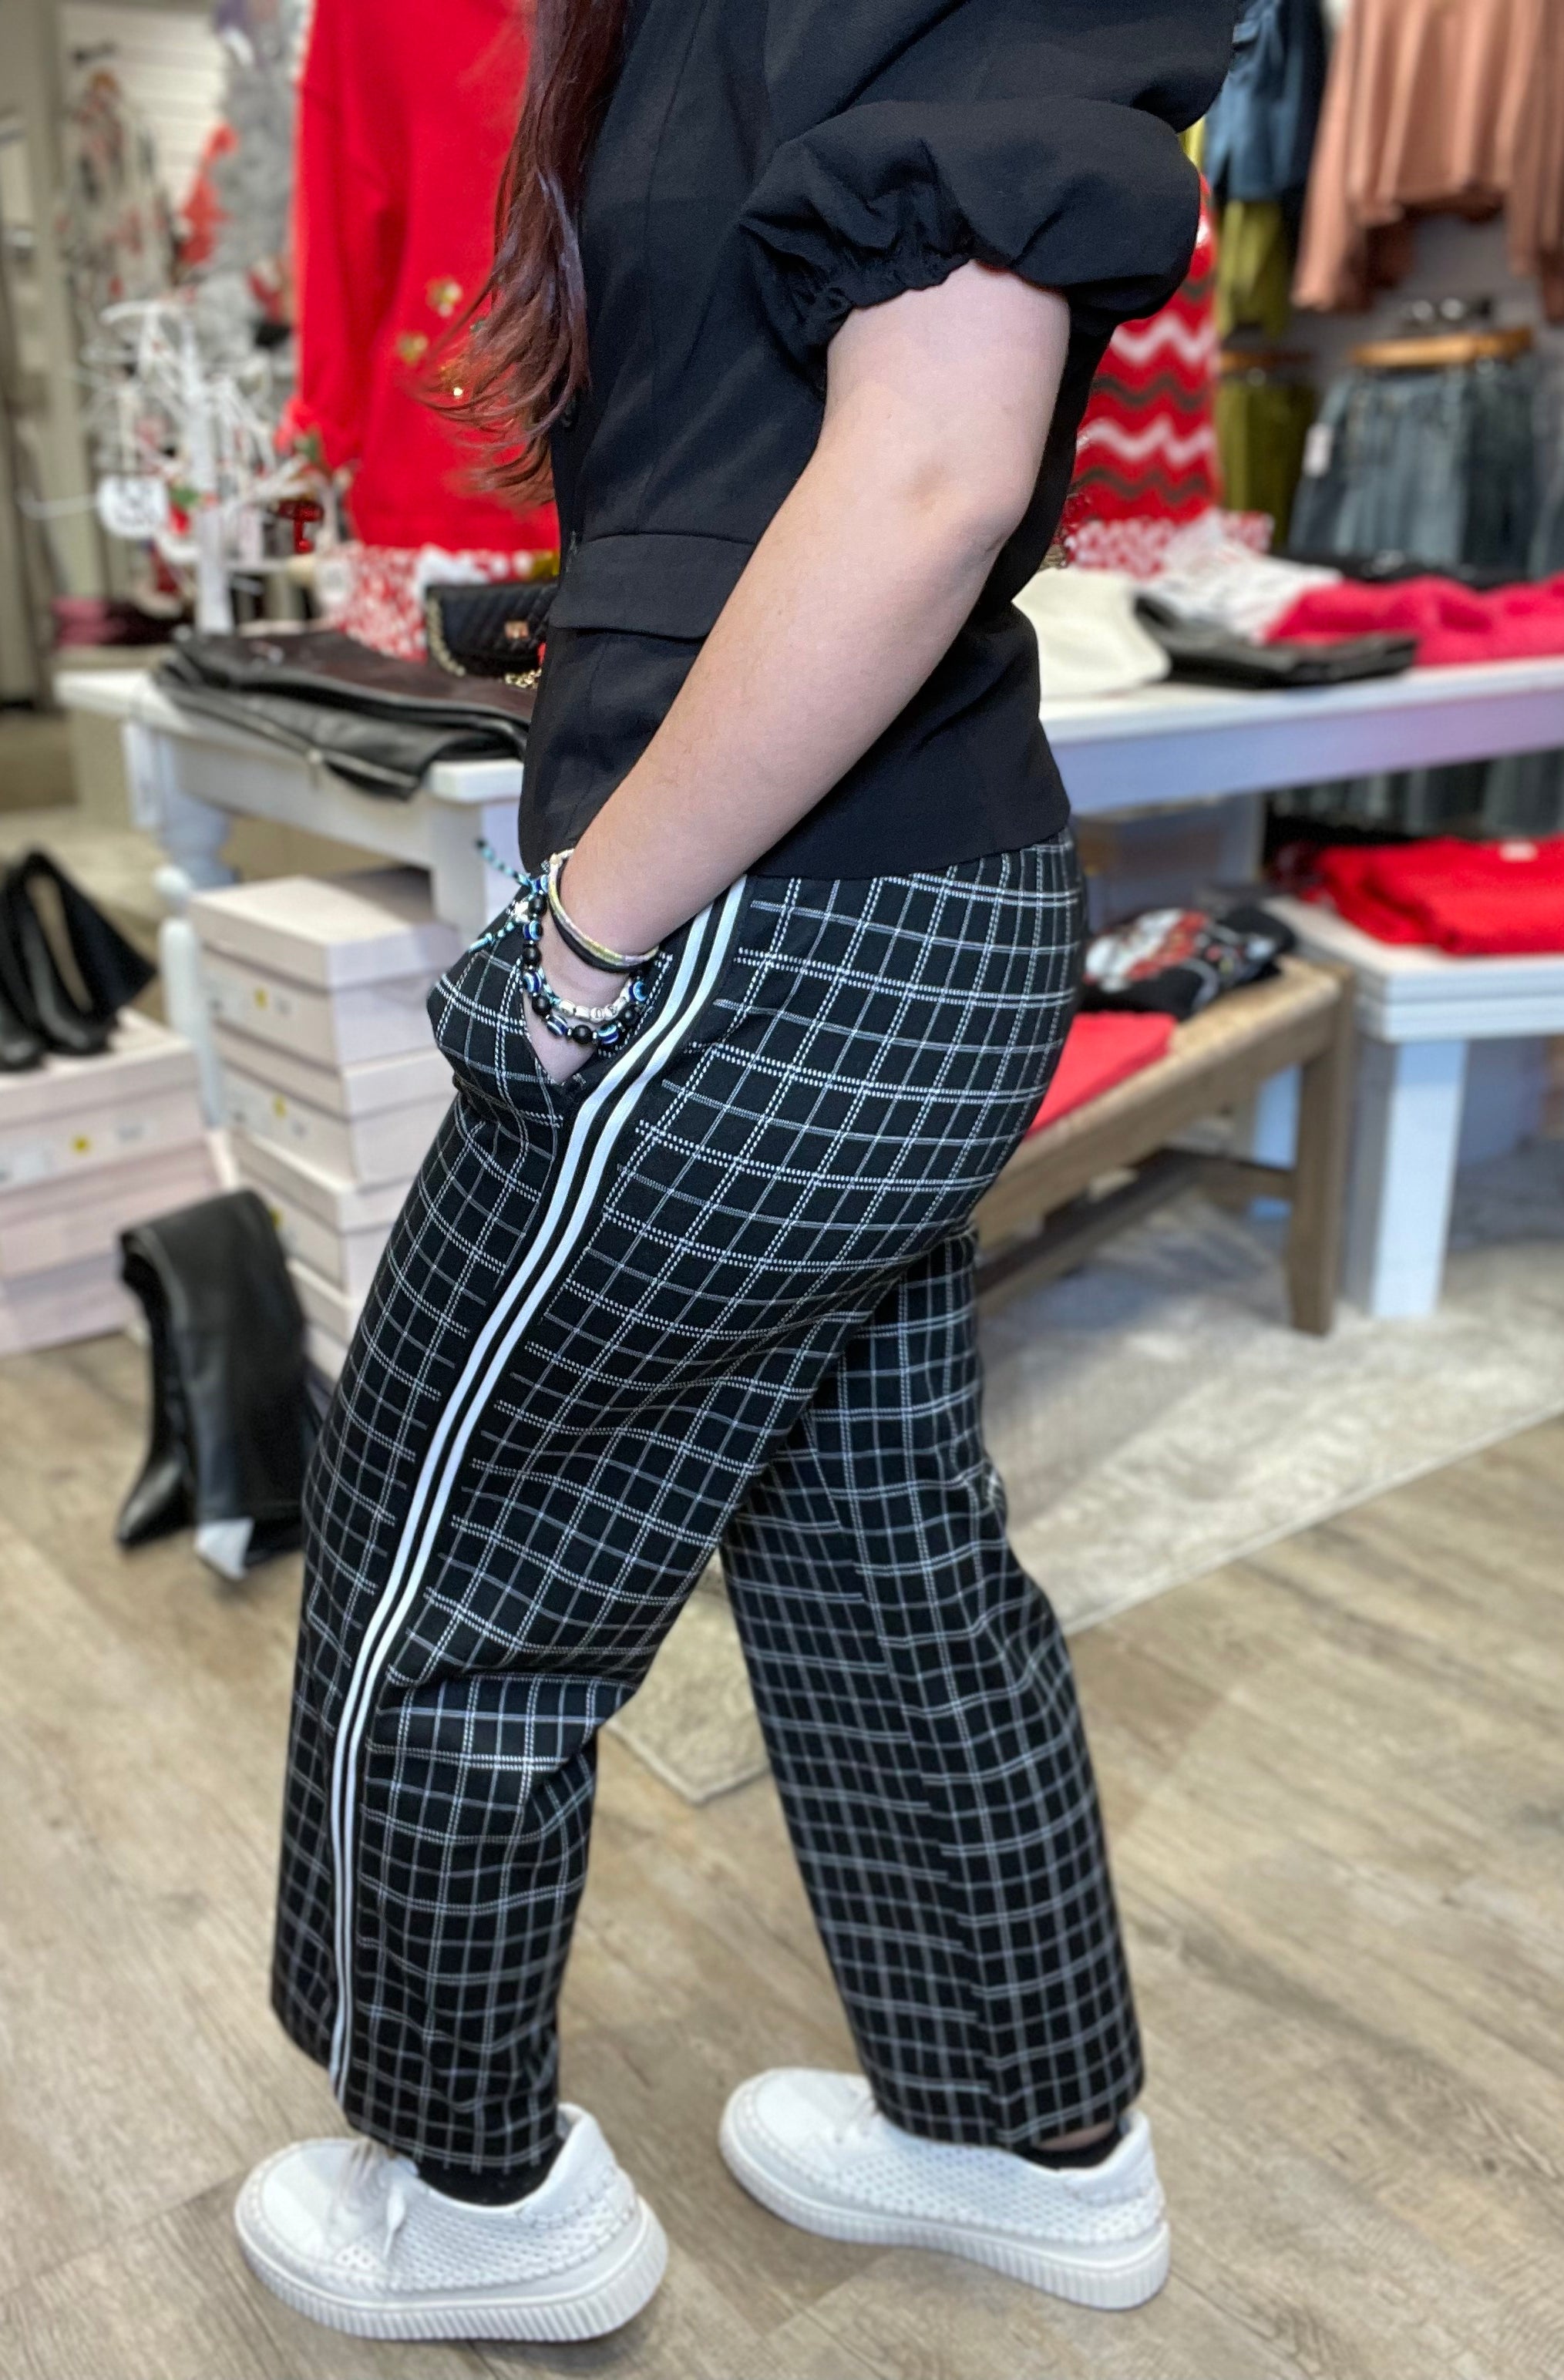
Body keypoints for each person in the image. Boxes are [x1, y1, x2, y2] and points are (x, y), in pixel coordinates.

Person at [235, 0, 1237, 2344]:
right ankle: (1024, 2132)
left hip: (754, 921)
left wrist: (589, 935)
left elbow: (927, 480)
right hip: (879, 895)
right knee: (876, 1549)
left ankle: (468, 2194)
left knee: (450, 1558)